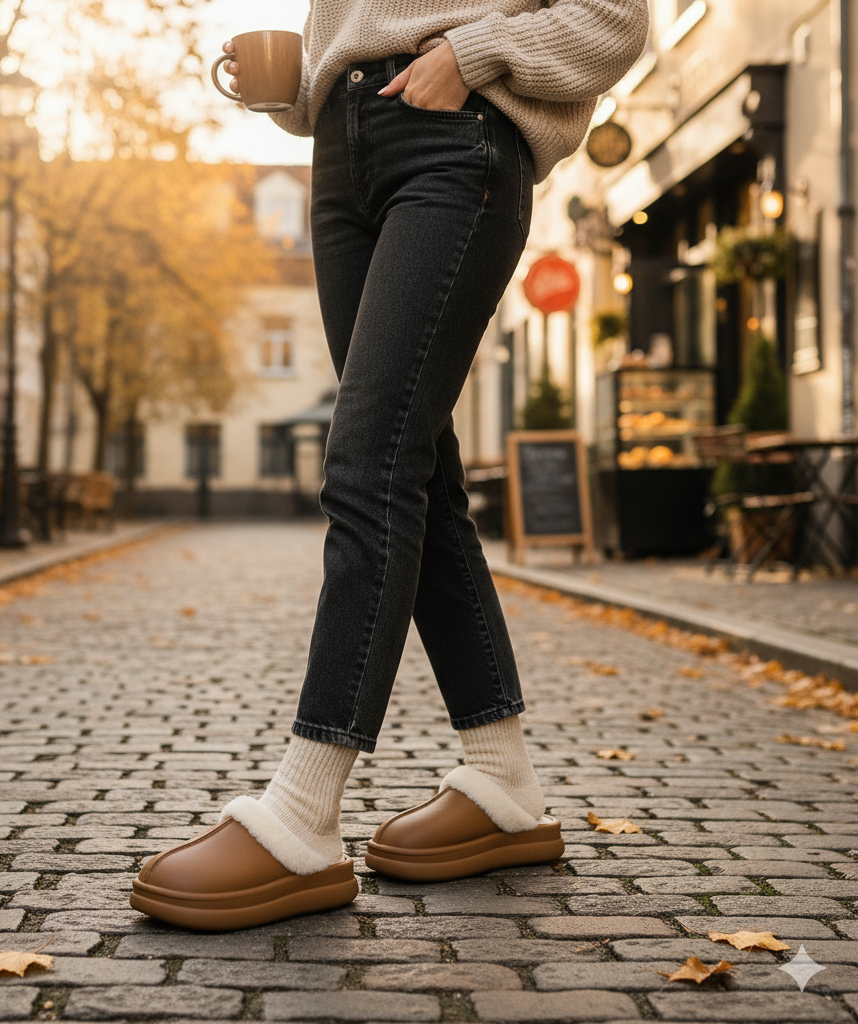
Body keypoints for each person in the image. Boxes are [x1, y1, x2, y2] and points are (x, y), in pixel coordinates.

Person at [131, 0, 649, 932]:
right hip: (339, 155)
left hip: (455, 141)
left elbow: (612, 19)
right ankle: (504, 780)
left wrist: (473, 52)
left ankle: (303, 813)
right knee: (417, 466)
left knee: (367, 461)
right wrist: (304, 82)